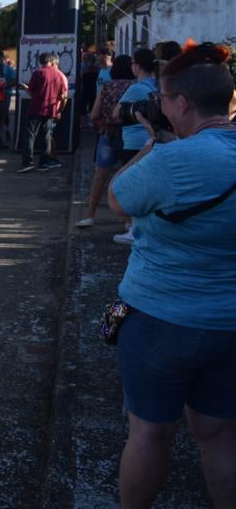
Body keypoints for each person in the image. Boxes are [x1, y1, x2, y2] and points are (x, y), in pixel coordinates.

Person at [107, 42, 236, 508]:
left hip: (158, 314)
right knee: (220, 435)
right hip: (230, 322)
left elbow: (118, 198)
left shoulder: (173, 160)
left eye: (162, 100)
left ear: (180, 103)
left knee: (149, 432)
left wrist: (155, 144)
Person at [76, 55, 134, 228]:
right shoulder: (136, 87)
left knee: (100, 175)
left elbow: (94, 114)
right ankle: (128, 220)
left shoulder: (106, 87)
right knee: (129, 175)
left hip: (108, 134)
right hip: (130, 135)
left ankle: (89, 215)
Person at [110, 48, 158, 244]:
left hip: (133, 141)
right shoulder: (155, 85)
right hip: (150, 138)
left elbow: (116, 113)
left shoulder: (136, 88)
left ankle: (133, 227)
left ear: (137, 66)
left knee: (128, 183)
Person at [17, 53, 68, 173]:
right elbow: (63, 95)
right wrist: (59, 109)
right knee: (46, 136)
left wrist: (25, 87)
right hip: (50, 109)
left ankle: (28, 162)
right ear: (51, 61)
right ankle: (43, 162)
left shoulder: (38, 73)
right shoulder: (58, 75)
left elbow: (31, 92)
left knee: (30, 135)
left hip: (35, 108)